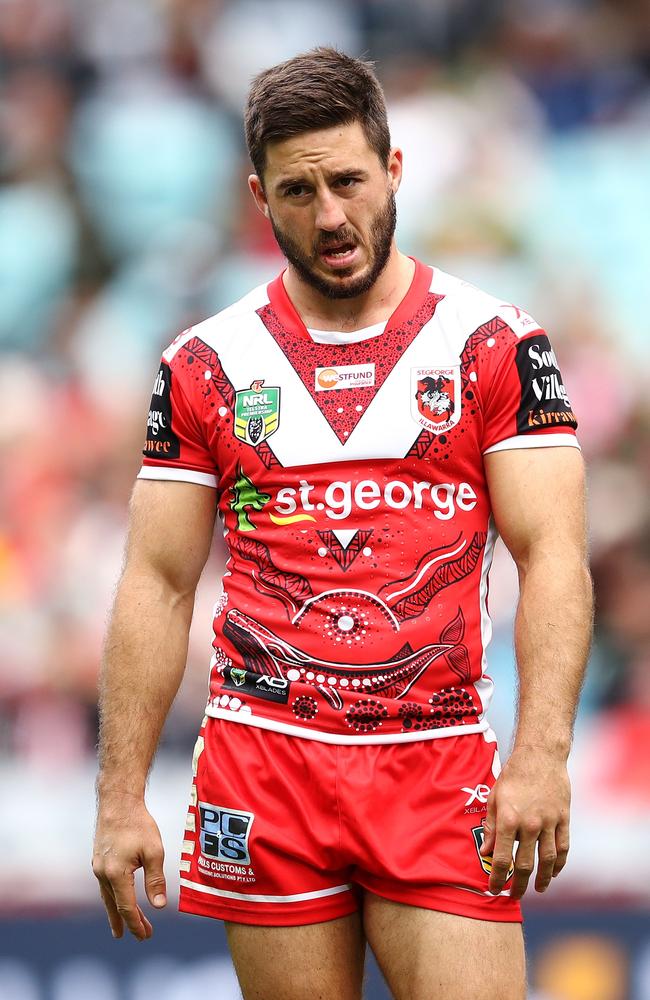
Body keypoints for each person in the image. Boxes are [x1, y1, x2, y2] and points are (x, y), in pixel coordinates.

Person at [92, 47, 593, 1000]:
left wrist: (541, 758)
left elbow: (554, 554)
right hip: (264, 766)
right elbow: (157, 581)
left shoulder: (496, 344)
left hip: (438, 761)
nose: (330, 216)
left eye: (350, 181)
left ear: (395, 168)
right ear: (258, 195)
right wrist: (119, 799)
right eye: (298, 190)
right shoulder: (205, 363)